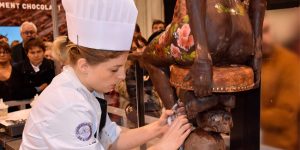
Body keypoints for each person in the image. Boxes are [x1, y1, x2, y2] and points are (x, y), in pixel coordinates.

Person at [20, 0, 191, 149]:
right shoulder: (68, 104)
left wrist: (158, 127)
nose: (122, 76)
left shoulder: (89, 89)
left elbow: (111, 139)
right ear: (84, 65)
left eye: (123, 67)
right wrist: (164, 146)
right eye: (114, 69)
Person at [260, 20, 300, 150]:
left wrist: (248, 117)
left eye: (266, 31)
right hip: (248, 137)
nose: (263, 39)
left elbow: (285, 115)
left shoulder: (289, 63)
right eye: (257, 34)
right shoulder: (248, 61)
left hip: (277, 144)